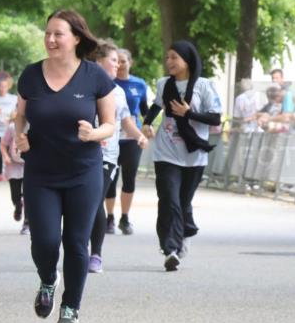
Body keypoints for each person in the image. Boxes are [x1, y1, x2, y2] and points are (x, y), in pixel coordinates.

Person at [14, 9, 115, 323]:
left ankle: (71, 306)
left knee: (75, 241)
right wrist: (20, 137)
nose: (51, 40)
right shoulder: (30, 75)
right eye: (47, 33)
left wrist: (94, 133)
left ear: (76, 38)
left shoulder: (95, 76)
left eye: (58, 34)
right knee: (44, 241)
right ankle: (48, 279)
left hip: (83, 171)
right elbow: (20, 114)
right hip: (41, 171)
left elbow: (110, 124)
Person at [142, 41, 222, 271]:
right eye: (167, 58)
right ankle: (170, 249)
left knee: (184, 202)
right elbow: (157, 106)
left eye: (174, 57)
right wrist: (147, 123)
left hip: (194, 153)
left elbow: (215, 118)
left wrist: (189, 113)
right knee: (169, 200)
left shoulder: (204, 86)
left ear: (187, 60)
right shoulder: (163, 84)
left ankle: (184, 232)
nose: (169, 62)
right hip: (165, 152)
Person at [89, 43, 148, 273]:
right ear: (99, 61)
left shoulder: (118, 92)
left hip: (106, 155)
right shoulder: (81, 85)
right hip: (78, 153)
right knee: (80, 204)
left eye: (119, 60)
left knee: (95, 200)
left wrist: (139, 136)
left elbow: (125, 122)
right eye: (113, 60)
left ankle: (96, 255)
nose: (118, 65)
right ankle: (77, 249)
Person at [107, 48, 150, 235]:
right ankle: (109, 217)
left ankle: (125, 217)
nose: (120, 65)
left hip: (132, 136)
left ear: (130, 63)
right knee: (110, 178)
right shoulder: (108, 83)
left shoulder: (139, 84)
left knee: (129, 177)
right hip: (112, 137)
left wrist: (147, 126)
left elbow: (144, 109)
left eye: (123, 61)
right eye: (117, 61)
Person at [0, 116, 28, 234]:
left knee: (30, 195)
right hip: (13, 165)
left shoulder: (36, 126)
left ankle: (27, 223)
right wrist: (6, 157)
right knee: (15, 196)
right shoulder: (12, 127)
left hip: (30, 165)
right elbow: (3, 145)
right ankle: (18, 205)